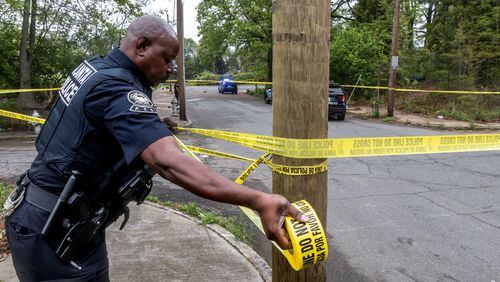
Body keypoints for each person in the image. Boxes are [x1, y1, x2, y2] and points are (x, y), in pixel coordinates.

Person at [3, 15, 307, 281]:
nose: (171, 68)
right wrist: (257, 199)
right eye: (167, 58)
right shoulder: (118, 90)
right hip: (54, 231)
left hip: (56, 219)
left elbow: (87, 124)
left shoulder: (95, 68)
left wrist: (149, 124)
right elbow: (168, 162)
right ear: (142, 46)